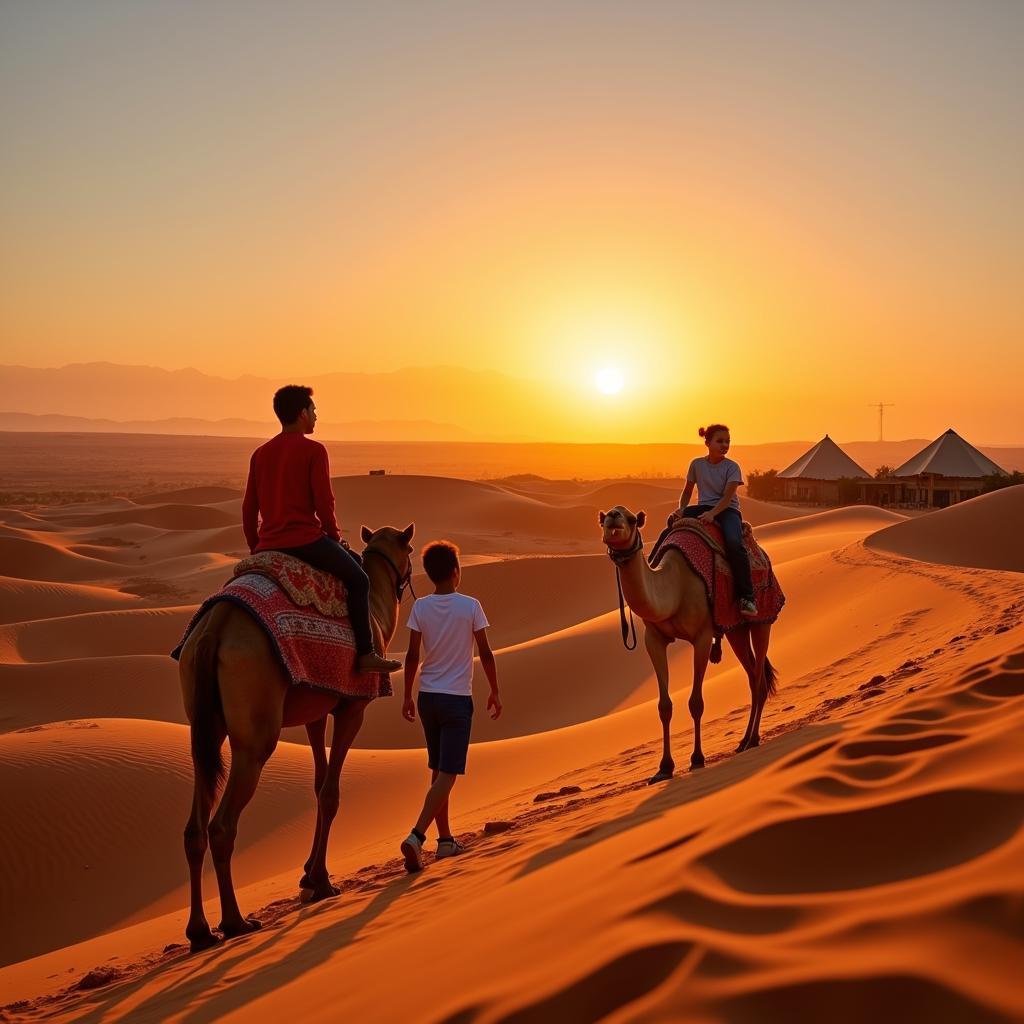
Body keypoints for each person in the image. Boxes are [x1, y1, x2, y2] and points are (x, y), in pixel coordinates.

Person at [241, 384, 401, 674]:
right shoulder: (314, 450)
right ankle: (366, 653)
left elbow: (248, 509)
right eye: (313, 410)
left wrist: (256, 546)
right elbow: (324, 501)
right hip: (305, 541)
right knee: (359, 578)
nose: (316, 416)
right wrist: (334, 537)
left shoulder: (260, 454)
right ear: (302, 413)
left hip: (268, 545)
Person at [399, 540, 501, 871]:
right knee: (448, 774)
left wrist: (406, 695)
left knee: (437, 771)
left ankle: (445, 842)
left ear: (430, 574)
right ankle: (417, 836)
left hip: (428, 698)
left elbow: (413, 655)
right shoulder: (471, 605)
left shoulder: (420, 608)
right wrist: (495, 690)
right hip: (456, 699)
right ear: (455, 572)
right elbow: (485, 652)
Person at [679, 423, 758, 618]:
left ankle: (747, 597)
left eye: (728, 441)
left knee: (733, 543)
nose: (725, 445)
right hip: (704, 507)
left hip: (727, 510)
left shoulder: (732, 467)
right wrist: (681, 510)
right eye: (720, 441)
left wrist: (713, 514)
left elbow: (727, 497)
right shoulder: (697, 464)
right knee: (672, 526)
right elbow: (688, 490)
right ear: (708, 443)